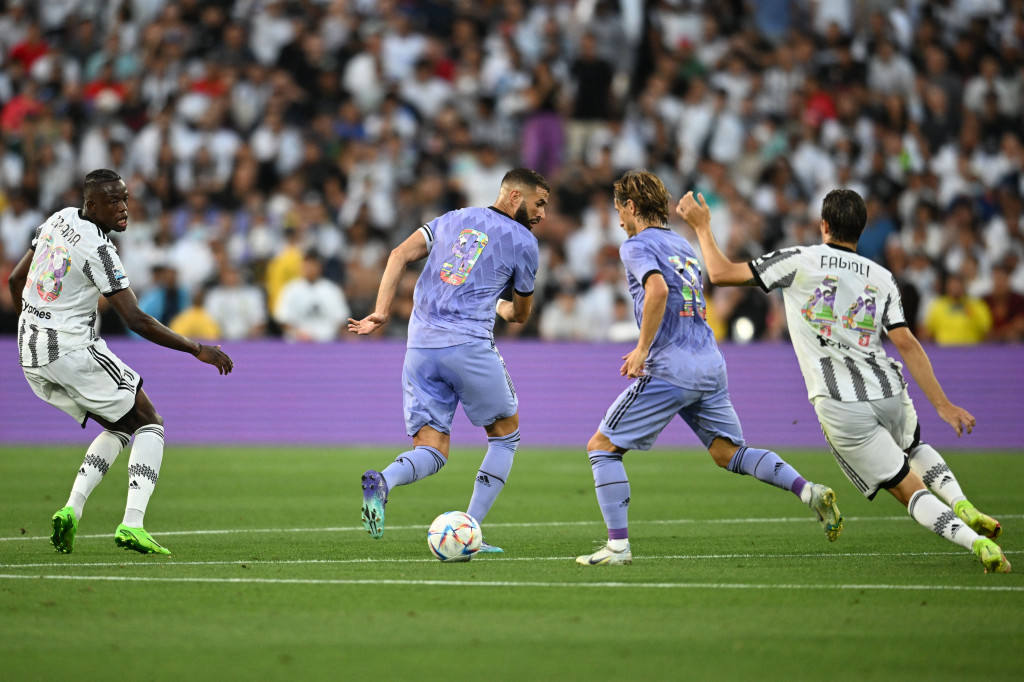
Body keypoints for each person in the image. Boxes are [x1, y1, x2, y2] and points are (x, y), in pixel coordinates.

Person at [676, 188, 1010, 573]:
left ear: (824, 225)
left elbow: (719, 273)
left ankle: (977, 542)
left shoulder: (798, 260)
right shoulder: (883, 278)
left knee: (906, 487)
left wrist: (701, 227)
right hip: (887, 388)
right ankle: (961, 501)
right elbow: (908, 344)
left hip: (841, 403)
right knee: (914, 445)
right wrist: (943, 405)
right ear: (861, 230)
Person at [575, 170, 842, 567]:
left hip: (671, 367)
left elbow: (658, 290)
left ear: (631, 207)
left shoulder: (635, 246)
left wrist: (641, 349)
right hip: (710, 364)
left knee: (602, 448)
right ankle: (808, 490)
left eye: (619, 210)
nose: (618, 220)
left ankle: (618, 548)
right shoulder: (682, 245)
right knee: (727, 453)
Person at [7, 169, 233, 556]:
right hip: (71, 348)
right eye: (113, 202)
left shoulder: (59, 218)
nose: (124, 208)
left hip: (30, 353)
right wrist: (197, 349)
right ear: (91, 205)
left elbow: (15, 280)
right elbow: (136, 320)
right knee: (150, 421)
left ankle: (71, 510)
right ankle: (132, 524)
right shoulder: (100, 250)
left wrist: (34, 324)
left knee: (122, 426)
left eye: (125, 198)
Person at [348, 168, 549, 553]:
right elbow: (520, 315)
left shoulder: (451, 218)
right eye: (539, 203)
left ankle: (385, 481)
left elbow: (398, 254)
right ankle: (470, 532)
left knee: (432, 447)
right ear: (513, 197)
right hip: (468, 345)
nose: (542, 214)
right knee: (506, 435)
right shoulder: (524, 241)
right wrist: (499, 305)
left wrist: (381, 311)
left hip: (420, 347)